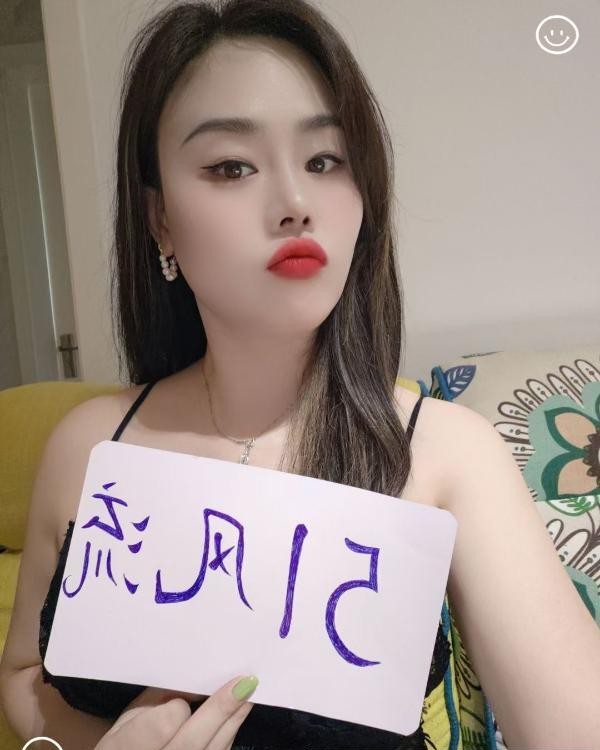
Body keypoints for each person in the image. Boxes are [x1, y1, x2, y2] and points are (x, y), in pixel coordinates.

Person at [1, 0, 599, 748]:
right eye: (231, 166)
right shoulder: (90, 446)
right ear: (160, 219)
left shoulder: (447, 453)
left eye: (325, 161)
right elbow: (22, 677)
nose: (294, 203)